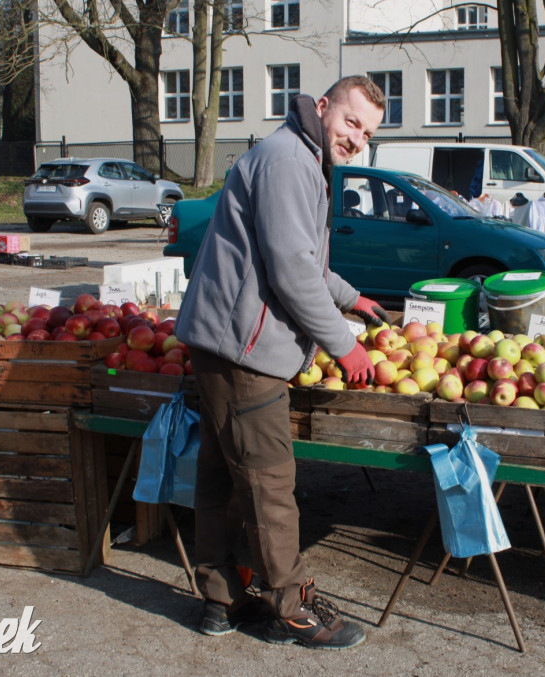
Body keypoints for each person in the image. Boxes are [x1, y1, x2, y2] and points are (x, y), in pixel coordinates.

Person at [174, 76, 389, 651]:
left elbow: (304, 261)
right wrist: (344, 344)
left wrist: (351, 298)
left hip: (227, 343)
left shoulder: (301, 156)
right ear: (322, 107)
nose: (356, 139)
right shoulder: (290, 161)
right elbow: (292, 271)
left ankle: (220, 600)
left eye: (366, 133)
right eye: (350, 122)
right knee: (270, 483)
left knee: (223, 478)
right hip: (245, 351)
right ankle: (291, 609)